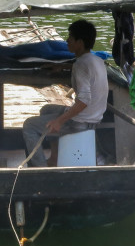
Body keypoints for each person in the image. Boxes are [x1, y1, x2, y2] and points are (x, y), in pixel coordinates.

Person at [22, 19, 108, 167]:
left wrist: (59, 121)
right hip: (95, 118)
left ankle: (40, 169)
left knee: (29, 126)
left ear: (80, 43)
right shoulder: (97, 60)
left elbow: (83, 101)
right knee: (46, 110)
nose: (67, 40)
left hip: (79, 123)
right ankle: (55, 157)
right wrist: (63, 66)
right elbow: (86, 73)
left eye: (71, 38)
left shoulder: (80, 65)